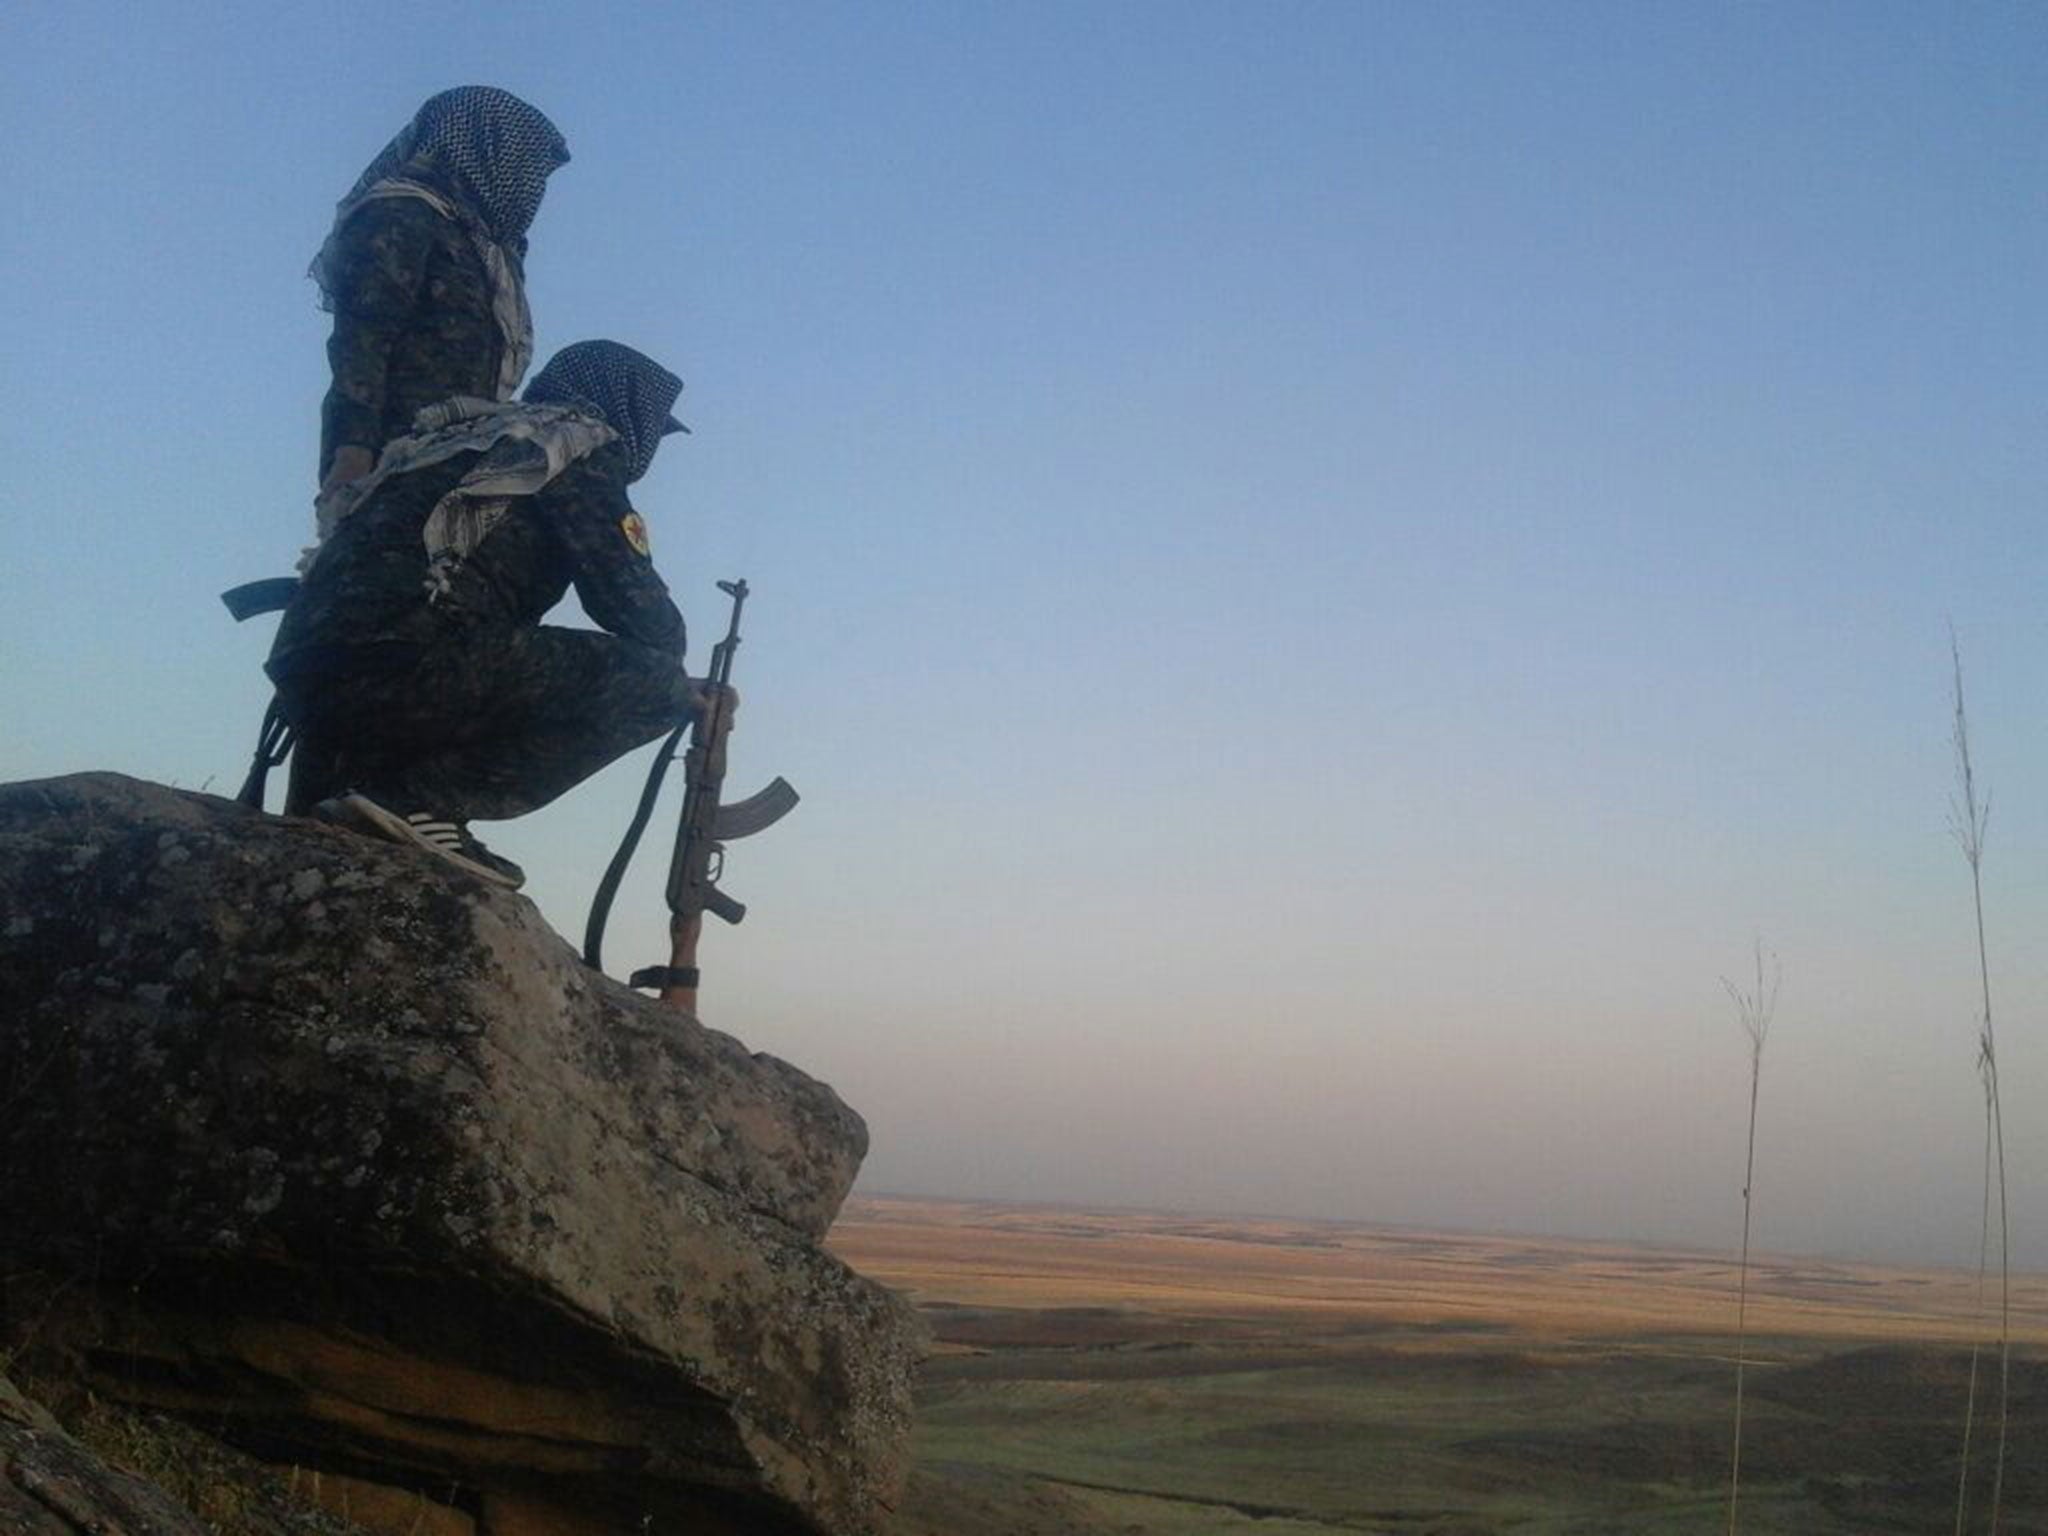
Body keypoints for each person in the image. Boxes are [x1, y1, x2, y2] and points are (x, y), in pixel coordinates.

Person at [268, 341, 717, 889]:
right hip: (406, 668)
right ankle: (422, 800)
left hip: (310, 677)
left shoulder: (454, 439)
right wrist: (691, 686)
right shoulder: (574, 445)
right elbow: (639, 613)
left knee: (309, 855)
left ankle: (373, 802)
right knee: (655, 685)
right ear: (625, 405)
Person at [311, 86, 569, 502]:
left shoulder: (484, 252)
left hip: (454, 468)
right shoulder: (404, 212)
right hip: (392, 464)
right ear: (488, 147)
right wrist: (352, 452)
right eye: (525, 164)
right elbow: (364, 339)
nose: (531, 184)